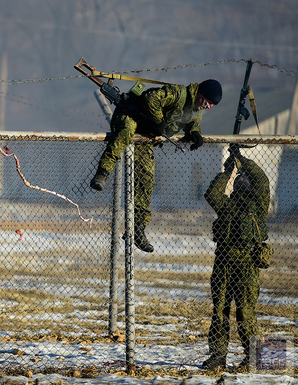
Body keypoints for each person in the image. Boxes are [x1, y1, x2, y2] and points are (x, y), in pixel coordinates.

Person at [89, 79, 222, 253]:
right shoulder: (177, 93)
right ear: (200, 94)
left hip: (146, 132)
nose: (209, 106)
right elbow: (151, 98)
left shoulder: (196, 109)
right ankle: (102, 173)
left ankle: (136, 229)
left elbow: (193, 122)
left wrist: (196, 133)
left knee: (147, 180)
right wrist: (159, 121)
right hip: (131, 116)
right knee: (126, 133)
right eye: (208, 102)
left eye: (212, 104)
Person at [202, 144, 270, 371]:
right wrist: (228, 170)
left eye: (244, 178)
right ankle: (218, 356)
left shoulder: (259, 205)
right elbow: (211, 194)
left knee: (245, 310)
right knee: (219, 309)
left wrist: (242, 160)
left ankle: (256, 357)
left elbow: (261, 180)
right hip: (223, 262)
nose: (242, 179)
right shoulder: (226, 204)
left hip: (247, 263)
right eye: (238, 178)